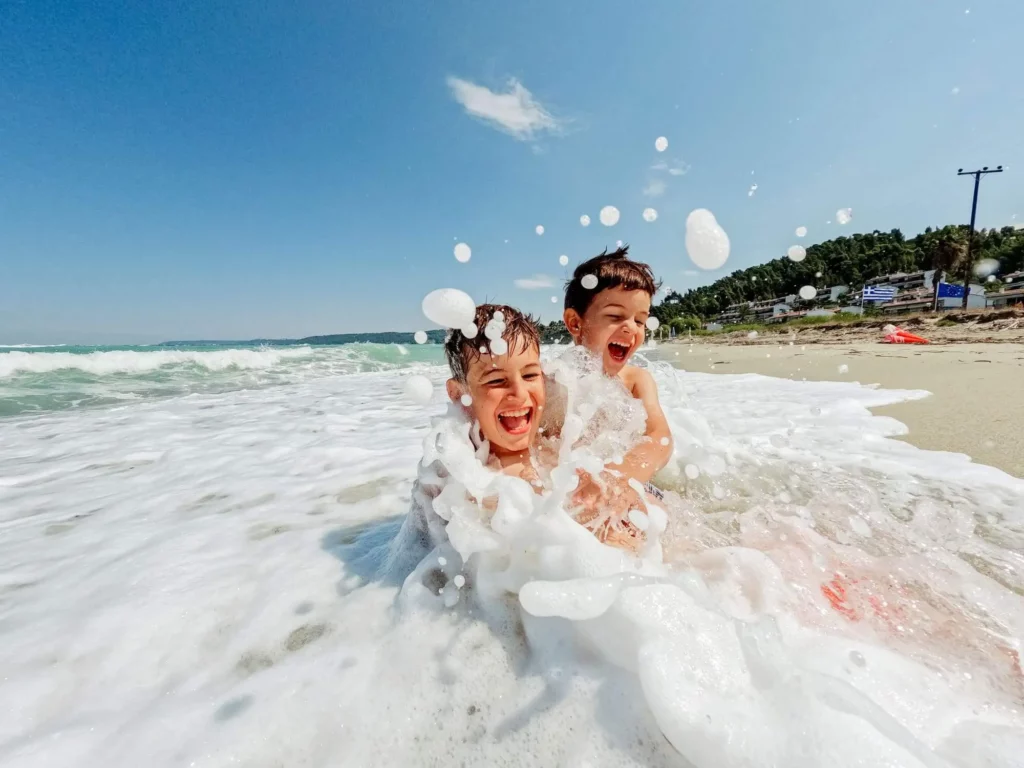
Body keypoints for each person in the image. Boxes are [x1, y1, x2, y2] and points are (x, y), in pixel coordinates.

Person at [561, 246, 673, 495]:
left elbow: (660, 437)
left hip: (630, 482)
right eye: (615, 316)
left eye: (640, 320)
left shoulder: (636, 380)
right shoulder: (557, 380)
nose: (631, 328)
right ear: (575, 323)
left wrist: (617, 476)